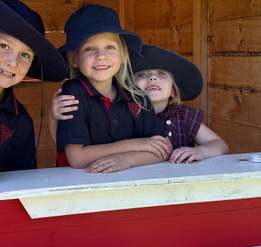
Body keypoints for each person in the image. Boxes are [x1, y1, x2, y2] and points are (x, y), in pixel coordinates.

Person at [53, 44, 228, 163]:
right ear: (128, 86)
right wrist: (54, 118)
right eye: (142, 75)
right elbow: (70, 149)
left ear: (173, 90)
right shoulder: (125, 112)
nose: (152, 77)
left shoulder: (184, 116)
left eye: (161, 74)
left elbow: (221, 145)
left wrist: (201, 152)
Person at [54, 4, 172, 173]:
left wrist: (128, 159)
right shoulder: (73, 92)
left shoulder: (137, 97)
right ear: (73, 59)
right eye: (90, 49)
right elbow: (77, 158)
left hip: (129, 187)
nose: (101, 56)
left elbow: (164, 149)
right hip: (80, 187)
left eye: (110, 47)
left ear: (123, 55)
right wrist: (135, 145)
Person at [0, 0, 66, 172]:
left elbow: (19, 183)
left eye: (25, 55)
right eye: (4, 46)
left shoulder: (20, 122)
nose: (13, 63)